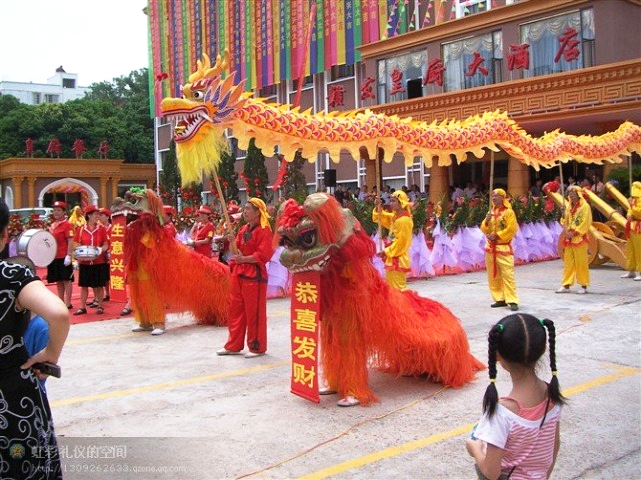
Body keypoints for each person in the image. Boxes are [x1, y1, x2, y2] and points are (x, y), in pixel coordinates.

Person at [0, 198, 70, 478]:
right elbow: (59, 314)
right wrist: (51, 354)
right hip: (13, 397)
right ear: (5, 235)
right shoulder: (11, 275)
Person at [466, 313, 565, 480]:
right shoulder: (553, 395)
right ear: (542, 350)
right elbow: (554, 447)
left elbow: (491, 472)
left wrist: (475, 448)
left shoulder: (502, 413)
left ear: (497, 355)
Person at [217, 198, 274, 358]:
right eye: (245, 208)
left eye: (249, 209)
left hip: (254, 276)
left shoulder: (264, 231)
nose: (246, 211)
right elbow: (238, 250)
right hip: (239, 274)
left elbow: (264, 255)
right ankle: (233, 345)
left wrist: (245, 259)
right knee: (235, 311)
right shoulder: (243, 229)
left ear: (258, 212)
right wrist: (231, 242)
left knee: (254, 313)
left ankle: (257, 346)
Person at [480, 189, 519, 311]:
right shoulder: (490, 212)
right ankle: (499, 298)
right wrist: (486, 221)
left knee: (508, 275)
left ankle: (512, 299)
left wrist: (497, 235)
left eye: (496, 196)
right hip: (490, 248)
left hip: (503, 247)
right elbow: (484, 229)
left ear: (503, 198)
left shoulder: (509, 213)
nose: (494, 198)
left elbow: (511, 229)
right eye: (492, 196)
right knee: (493, 275)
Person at [372, 190, 413, 291]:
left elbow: (401, 243)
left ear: (401, 203)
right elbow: (381, 217)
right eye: (390, 200)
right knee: (392, 291)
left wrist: (386, 251)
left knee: (398, 291)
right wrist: (378, 206)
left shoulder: (404, 221)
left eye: (393, 201)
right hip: (393, 256)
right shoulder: (395, 217)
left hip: (398, 259)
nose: (390, 203)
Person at [73, 205, 109, 315]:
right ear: (88, 215)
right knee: (84, 285)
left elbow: (106, 244)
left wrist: (100, 250)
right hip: (85, 261)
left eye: (98, 214)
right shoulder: (81, 229)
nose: (97, 216)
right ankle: (82, 307)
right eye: (95, 214)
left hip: (99, 261)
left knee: (99, 285)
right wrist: (77, 256)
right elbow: (76, 244)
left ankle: (100, 306)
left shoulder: (101, 229)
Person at [556, 186, 592, 294]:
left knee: (581, 262)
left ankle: (583, 285)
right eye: (569, 193)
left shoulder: (585, 207)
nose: (571, 195)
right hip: (569, 239)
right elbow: (565, 221)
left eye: (573, 193)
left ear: (578, 194)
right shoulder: (568, 207)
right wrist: (563, 217)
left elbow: (586, 222)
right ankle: (566, 285)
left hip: (579, 238)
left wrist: (575, 232)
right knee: (568, 263)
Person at [47, 200, 75, 309]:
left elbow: (70, 241)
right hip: (54, 256)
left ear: (64, 212)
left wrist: (69, 255)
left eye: (59, 210)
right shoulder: (52, 225)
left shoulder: (67, 225)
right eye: (54, 210)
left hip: (64, 256)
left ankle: (68, 302)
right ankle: (61, 301)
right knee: (58, 279)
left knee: (66, 279)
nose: (56, 212)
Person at [621, 181, 641, 280]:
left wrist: (632, 207)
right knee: (630, 250)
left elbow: (639, 212)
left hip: (639, 226)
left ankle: (640, 272)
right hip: (632, 226)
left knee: (639, 250)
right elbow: (630, 210)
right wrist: (629, 215)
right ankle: (631, 270)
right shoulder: (634, 200)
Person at [99, 207, 112, 302]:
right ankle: (106, 293)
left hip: (111, 255)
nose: (100, 217)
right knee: (104, 276)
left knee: (112, 275)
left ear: (107, 217)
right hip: (102, 255)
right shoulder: (99, 228)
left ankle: (113, 293)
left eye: (102, 215)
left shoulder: (113, 228)